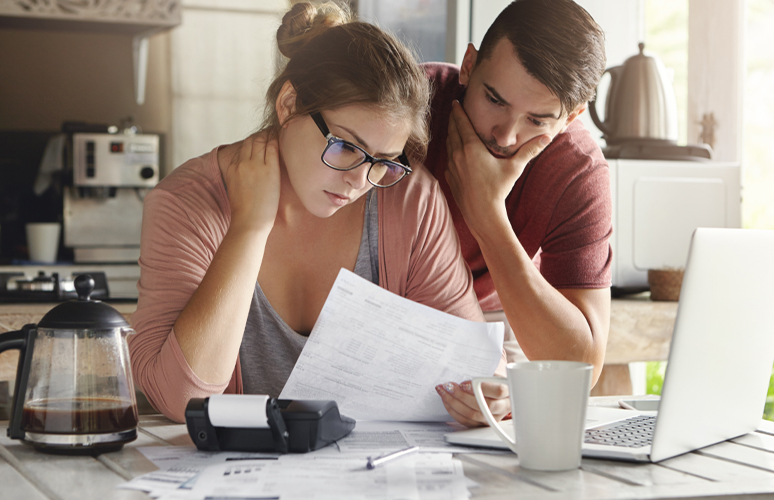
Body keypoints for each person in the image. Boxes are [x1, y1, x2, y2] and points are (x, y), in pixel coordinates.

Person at [128, 2, 508, 426]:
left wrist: (490, 395)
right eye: (345, 146)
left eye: (382, 160)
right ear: (289, 104)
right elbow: (182, 398)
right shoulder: (187, 202)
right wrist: (250, 227)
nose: (359, 180)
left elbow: (473, 366)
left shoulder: (409, 199)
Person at [430, 0, 613, 424]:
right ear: (469, 65)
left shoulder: (577, 169)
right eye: (494, 99)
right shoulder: (409, 105)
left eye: (537, 120)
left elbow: (580, 369)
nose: (506, 135)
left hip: (499, 312)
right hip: (382, 297)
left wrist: (487, 216)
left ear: (572, 116)